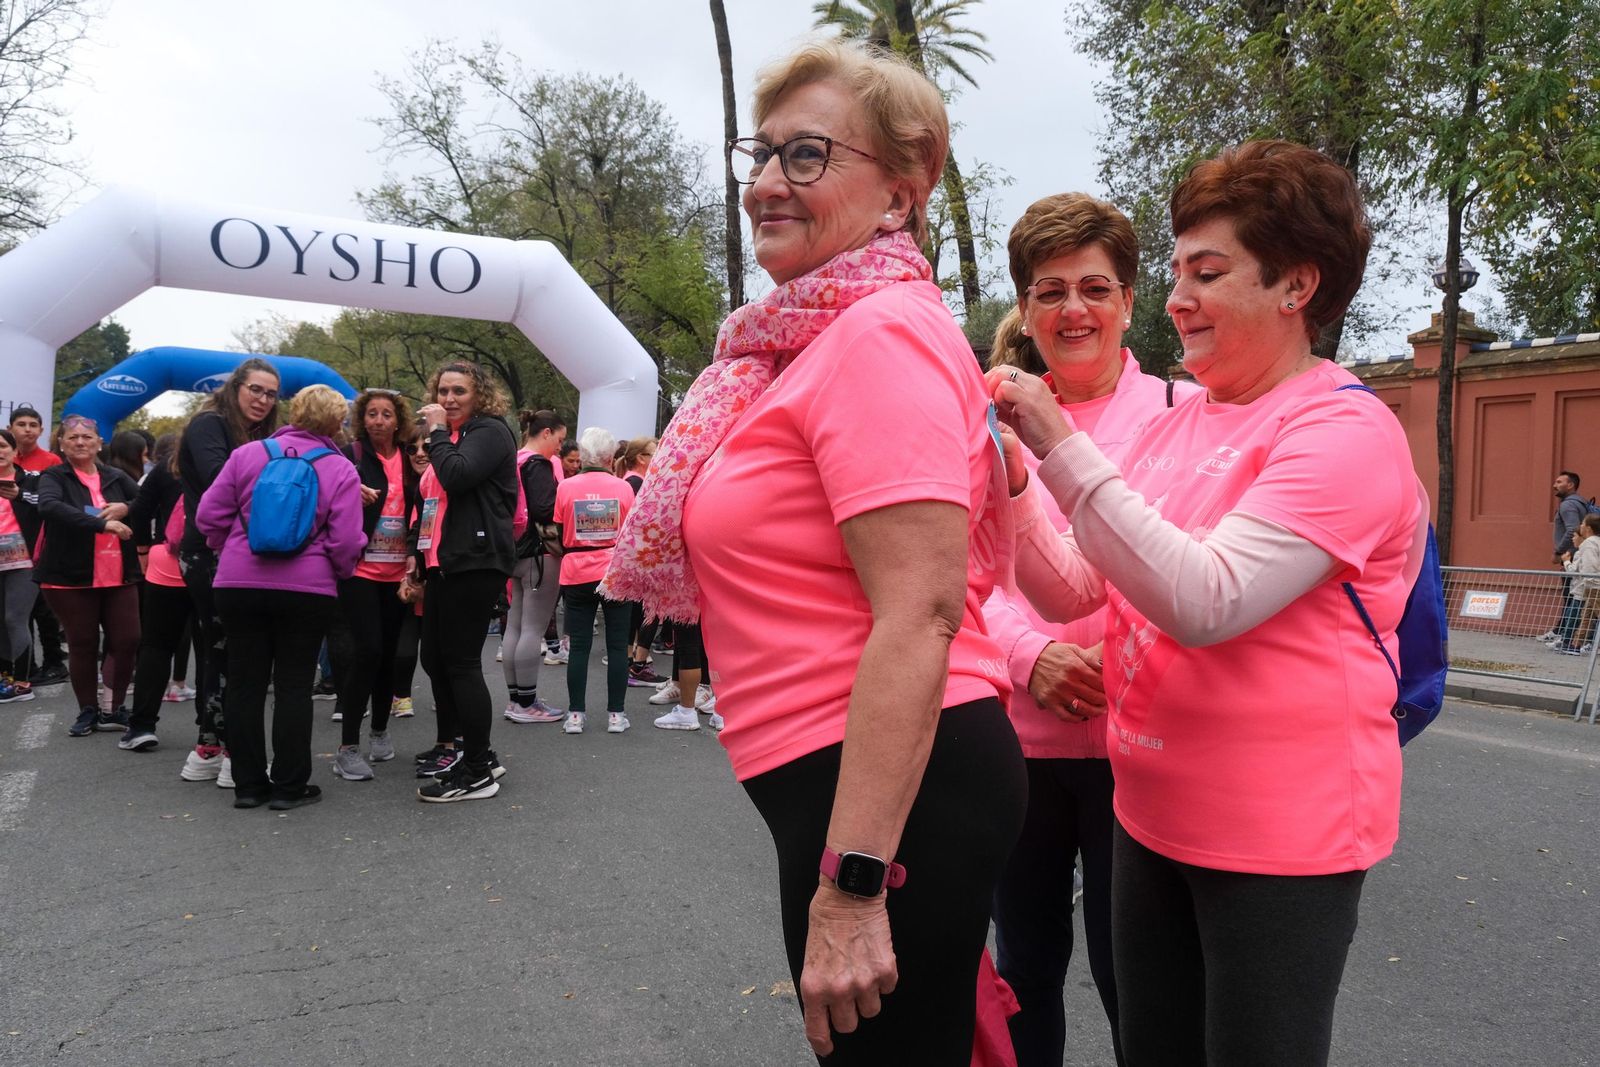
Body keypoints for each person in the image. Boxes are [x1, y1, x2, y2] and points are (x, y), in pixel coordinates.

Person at [602, 39, 1025, 1064]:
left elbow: (920, 609)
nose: (764, 185)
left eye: (806, 156)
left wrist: (853, 879)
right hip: (856, 786)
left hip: (893, 800)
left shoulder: (879, 332)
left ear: (899, 193)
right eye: (762, 153)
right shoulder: (798, 345)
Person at [989, 140, 1427, 1066]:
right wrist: (1019, 482)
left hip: (1279, 835)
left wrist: (1061, 443)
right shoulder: (1183, 415)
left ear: (1296, 285)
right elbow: (1078, 585)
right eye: (1178, 270)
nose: (1178, 299)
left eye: (1208, 271)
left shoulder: (1344, 428)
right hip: (1148, 811)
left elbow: (1205, 597)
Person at [983, 192, 1200, 1067]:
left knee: (1138, 980)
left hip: (1139, 745)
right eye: (1051, 291)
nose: (1075, 309)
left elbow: (1190, 564)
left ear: (1129, 302)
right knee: (1024, 969)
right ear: (1027, 312)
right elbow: (958, 572)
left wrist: (1107, 653)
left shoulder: (1187, 412)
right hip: (1016, 744)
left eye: (1095, 288)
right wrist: (1029, 654)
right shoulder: (984, 423)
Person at [196, 384, 365, 810]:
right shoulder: (341, 468)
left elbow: (207, 516)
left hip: (238, 584)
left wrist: (228, 548)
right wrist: (337, 570)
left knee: (245, 682)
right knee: (293, 685)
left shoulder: (248, 454)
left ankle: (248, 785)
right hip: (306, 589)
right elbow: (346, 540)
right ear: (335, 423)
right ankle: (289, 786)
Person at [404, 358, 518, 802]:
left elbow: (457, 476)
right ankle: (473, 753)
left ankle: (477, 769)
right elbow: (432, 501)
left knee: (462, 662)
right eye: (443, 391)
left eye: (459, 392)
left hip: (476, 559)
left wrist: (434, 433)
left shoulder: (488, 431)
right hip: (444, 561)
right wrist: (419, 555)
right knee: (434, 658)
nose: (448, 399)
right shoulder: (455, 437)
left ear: (479, 395)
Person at [176, 357, 282, 788]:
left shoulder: (260, 434)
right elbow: (225, 479)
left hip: (241, 554)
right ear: (236, 387)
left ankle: (211, 746)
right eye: (255, 389)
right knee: (231, 651)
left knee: (222, 651)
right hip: (209, 554)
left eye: (271, 393)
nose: (262, 399)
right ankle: (228, 751)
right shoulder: (210, 425)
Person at [331, 389, 420, 781]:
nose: (379, 421)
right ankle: (348, 746)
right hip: (361, 569)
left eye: (386, 414)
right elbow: (328, 497)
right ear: (362, 419)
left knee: (390, 656)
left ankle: (380, 731)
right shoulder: (349, 456)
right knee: (366, 651)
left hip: (399, 570)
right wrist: (351, 490)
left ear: (397, 420)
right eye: (371, 414)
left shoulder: (410, 460)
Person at [34, 415, 142, 737]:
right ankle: (87, 710)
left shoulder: (116, 476)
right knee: (83, 644)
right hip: (70, 575)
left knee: (127, 640)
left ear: (99, 443)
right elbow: (50, 507)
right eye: (72, 437)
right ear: (62, 444)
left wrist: (126, 508)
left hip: (118, 573)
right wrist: (101, 523)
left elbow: (144, 501)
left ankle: (114, 706)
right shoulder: (54, 476)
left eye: (87, 437)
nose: (80, 442)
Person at [553, 426, 635, 736]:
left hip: (576, 570)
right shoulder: (623, 488)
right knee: (616, 646)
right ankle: (616, 715)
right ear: (609, 456)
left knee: (579, 646)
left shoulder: (566, 487)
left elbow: (557, 527)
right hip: (614, 569)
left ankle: (576, 715)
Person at [119, 430, 194, 751]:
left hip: (168, 559)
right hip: (219, 562)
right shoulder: (233, 461)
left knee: (157, 645)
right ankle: (212, 734)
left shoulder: (169, 466)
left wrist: (143, 552)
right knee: (213, 651)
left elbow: (140, 509)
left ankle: (141, 726)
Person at [502, 409, 567, 725]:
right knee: (532, 628)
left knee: (515, 625)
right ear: (546, 433)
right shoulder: (537, 464)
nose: (559, 446)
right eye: (559, 438)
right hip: (540, 552)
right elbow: (544, 508)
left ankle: (516, 699)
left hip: (513, 550)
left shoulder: (513, 460)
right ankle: (528, 703)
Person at [10, 405, 68, 686]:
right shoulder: (8, 459)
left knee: (44, 610)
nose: (28, 429)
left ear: (42, 430)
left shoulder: (52, 461)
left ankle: (55, 662)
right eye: (21, 424)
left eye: (33, 424)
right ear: (11, 429)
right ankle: (27, 666)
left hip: (45, 542)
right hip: (12, 547)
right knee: (19, 613)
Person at [613, 437, 668, 687]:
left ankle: (633, 662)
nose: (658, 456)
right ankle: (638, 664)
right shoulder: (635, 483)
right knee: (648, 609)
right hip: (642, 556)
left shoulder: (632, 481)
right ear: (641, 458)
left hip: (638, 556)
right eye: (653, 452)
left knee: (641, 610)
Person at [392, 433, 432, 721]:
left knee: (436, 646)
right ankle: (400, 694)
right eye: (412, 448)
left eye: (427, 447)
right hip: (398, 571)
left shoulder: (446, 483)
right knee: (405, 644)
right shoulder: (398, 487)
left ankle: (447, 695)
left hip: (437, 570)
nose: (419, 453)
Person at [0, 428, 40, 703]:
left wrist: (21, 495)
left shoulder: (32, 481)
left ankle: (24, 681)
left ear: (15, 451)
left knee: (15, 618)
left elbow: (50, 506)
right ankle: (5, 677)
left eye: (3, 446)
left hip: (24, 559)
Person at [1543, 471, 1589, 647]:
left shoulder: (1568, 505)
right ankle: (1563, 631)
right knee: (1574, 596)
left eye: (1559, 482)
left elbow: (1572, 530)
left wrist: (1558, 552)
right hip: (1578, 556)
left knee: (1571, 596)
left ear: (1570, 485)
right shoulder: (1580, 503)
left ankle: (1566, 636)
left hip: (1571, 557)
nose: (1555, 485)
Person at [1558, 513, 1600, 654]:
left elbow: (1590, 566)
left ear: (1588, 528)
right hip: (1592, 585)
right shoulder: (1597, 542)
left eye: (1582, 523)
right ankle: (1576, 645)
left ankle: (1578, 644)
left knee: (1593, 615)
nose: (1580, 526)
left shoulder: (1589, 544)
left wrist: (1589, 580)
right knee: (1586, 616)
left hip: (1593, 585)